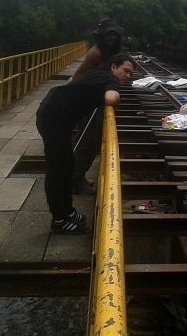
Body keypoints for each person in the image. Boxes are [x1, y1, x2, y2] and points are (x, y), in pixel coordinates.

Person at [36, 53, 135, 234]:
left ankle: (67, 212)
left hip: (55, 113)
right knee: (57, 169)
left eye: (130, 74)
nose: (127, 77)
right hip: (54, 117)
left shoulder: (99, 73)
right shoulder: (109, 78)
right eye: (125, 71)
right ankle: (59, 220)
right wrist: (117, 98)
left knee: (67, 164)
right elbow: (111, 99)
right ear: (114, 67)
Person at [71, 19, 125, 194]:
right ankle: (74, 180)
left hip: (94, 97)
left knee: (93, 142)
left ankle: (78, 177)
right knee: (86, 141)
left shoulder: (108, 52)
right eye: (108, 35)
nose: (111, 38)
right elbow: (79, 75)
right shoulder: (96, 53)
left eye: (114, 35)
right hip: (86, 98)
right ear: (101, 36)